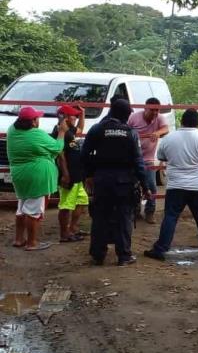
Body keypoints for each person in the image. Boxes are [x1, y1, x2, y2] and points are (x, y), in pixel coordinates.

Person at [143, 109, 198, 261]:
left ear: (182, 121)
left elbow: (161, 156)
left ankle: (160, 249)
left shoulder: (169, 138)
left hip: (176, 185)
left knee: (170, 217)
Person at [81, 99, 149, 266]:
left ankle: (98, 255)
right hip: (125, 182)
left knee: (100, 217)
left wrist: (89, 175)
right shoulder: (130, 132)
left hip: (102, 180)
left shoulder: (97, 129)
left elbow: (84, 154)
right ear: (125, 114)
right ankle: (124, 256)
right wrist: (145, 185)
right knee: (124, 217)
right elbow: (138, 161)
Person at [7, 106, 66, 251]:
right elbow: (57, 147)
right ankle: (32, 242)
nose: (38, 120)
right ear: (33, 122)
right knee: (34, 211)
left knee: (22, 207)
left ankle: (19, 239)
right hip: (37, 175)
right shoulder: (37, 134)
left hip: (19, 174)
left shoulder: (12, 131)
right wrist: (62, 132)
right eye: (37, 118)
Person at [127, 97, 169, 224]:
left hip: (148, 159)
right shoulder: (134, 117)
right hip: (133, 158)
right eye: (152, 110)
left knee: (151, 186)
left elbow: (166, 129)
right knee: (133, 186)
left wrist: (157, 133)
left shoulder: (159, 118)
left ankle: (150, 212)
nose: (155, 112)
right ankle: (135, 212)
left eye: (157, 110)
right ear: (145, 108)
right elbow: (127, 131)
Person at [53, 104, 88, 243]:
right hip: (69, 175)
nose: (75, 117)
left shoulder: (69, 130)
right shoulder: (60, 133)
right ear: (66, 117)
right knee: (66, 205)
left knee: (82, 200)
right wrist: (65, 174)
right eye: (73, 115)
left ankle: (72, 228)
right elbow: (60, 156)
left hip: (77, 174)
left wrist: (82, 114)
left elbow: (80, 129)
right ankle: (64, 234)